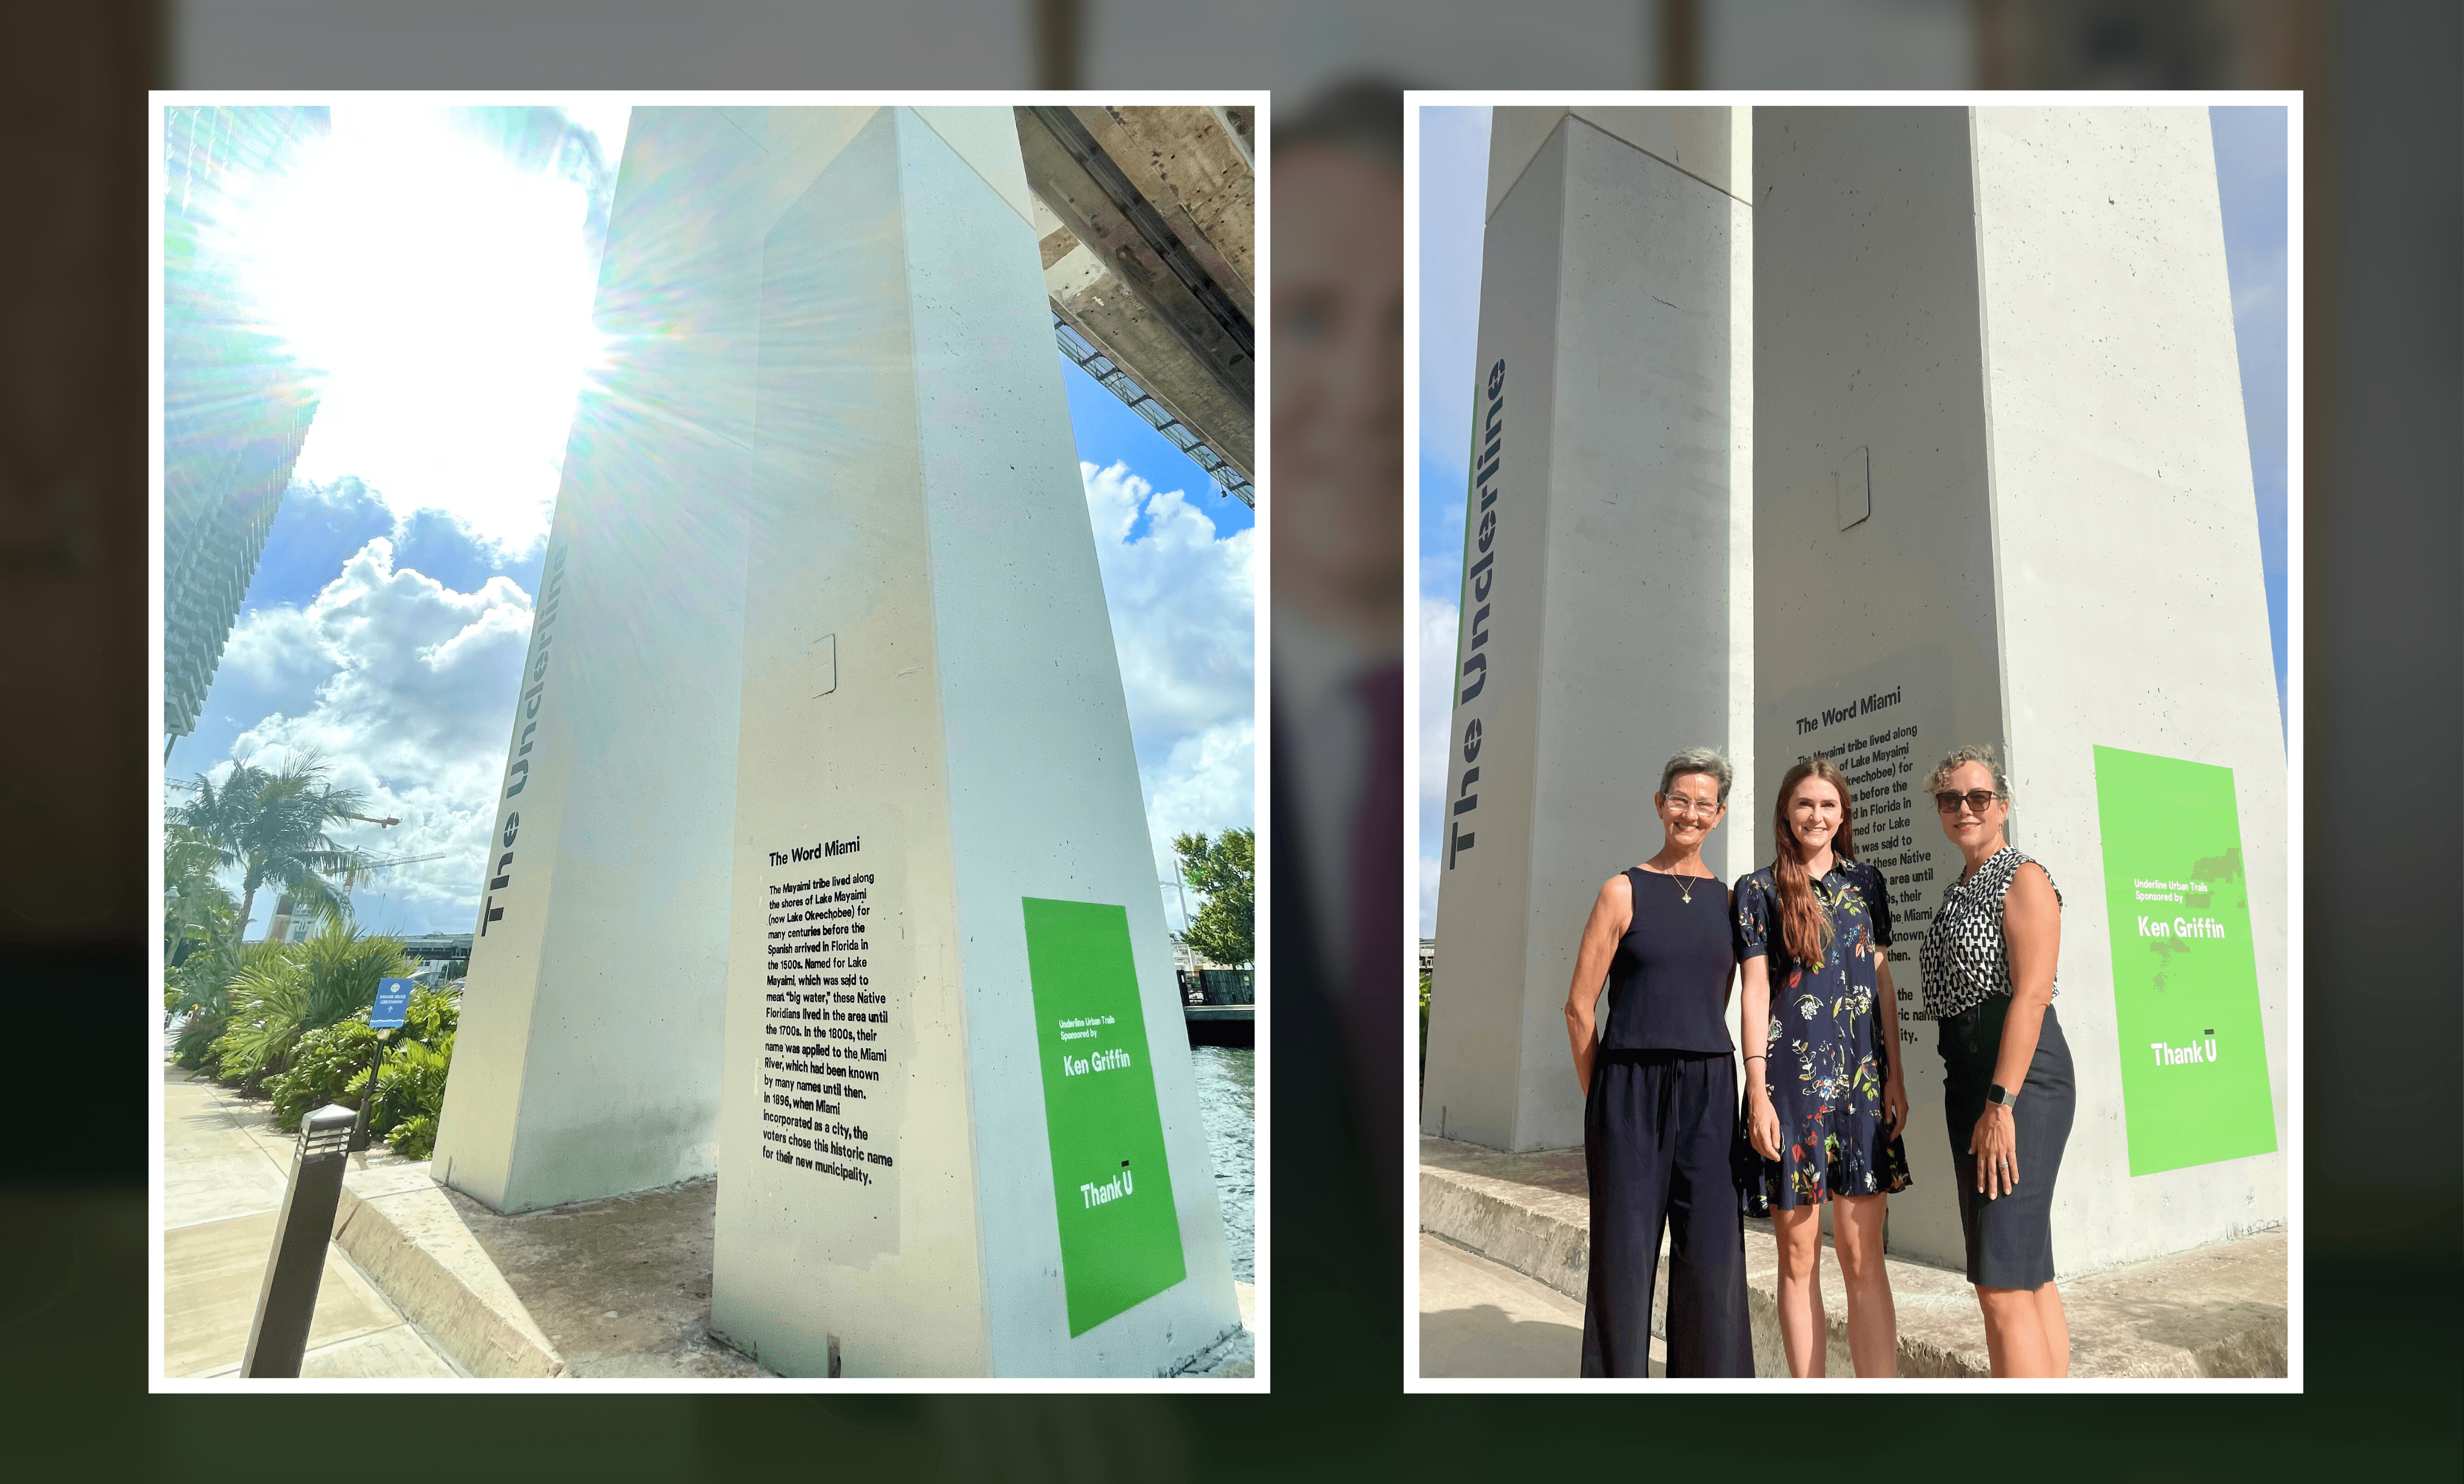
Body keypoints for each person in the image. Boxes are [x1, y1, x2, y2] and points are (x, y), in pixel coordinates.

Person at [1561, 747, 1755, 1378]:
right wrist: (1605, 1102)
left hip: (1708, 1087)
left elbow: (1713, 1000)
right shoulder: (1622, 890)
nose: (1690, 813)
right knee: (1623, 1254)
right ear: (1659, 804)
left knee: (1711, 1257)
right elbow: (1578, 1008)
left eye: (1704, 804)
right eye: (1680, 799)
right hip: (1628, 1087)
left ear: (1719, 815)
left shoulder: (1731, 904)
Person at [1736, 755, 1912, 1377]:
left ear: (1844, 814)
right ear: (1786, 810)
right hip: (1789, 1091)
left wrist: (1894, 1074)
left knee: (1865, 1259)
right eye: (1805, 803)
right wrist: (1755, 1092)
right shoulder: (1756, 890)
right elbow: (1755, 993)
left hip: (1863, 1089)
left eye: (1828, 805)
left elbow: (1883, 985)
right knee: (1798, 1257)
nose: (1817, 815)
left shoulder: (1868, 883)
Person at [1916, 745, 2074, 1378]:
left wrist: (2000, 1104)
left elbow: (2032, 994)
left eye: (1978, 797)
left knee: (2000, 1280)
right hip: (1973, 1083)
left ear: (2002, 806)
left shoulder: (2023, 876)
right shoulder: (1961, 887)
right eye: (1951, 799)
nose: (1964, 808)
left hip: (2017, 1085)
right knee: (2026, 1271)